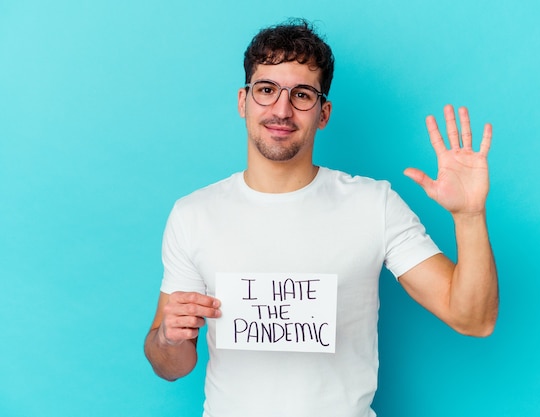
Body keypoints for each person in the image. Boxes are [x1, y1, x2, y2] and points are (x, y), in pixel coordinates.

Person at [144, 18, 498, 417]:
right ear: (243, 101)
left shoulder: (373, 205)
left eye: (302, 95)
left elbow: (474, 319)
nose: (282, 109)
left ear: (323, 112)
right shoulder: (194, 214)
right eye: (266, 90)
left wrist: (470, 216)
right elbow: (170, 367)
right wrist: (169, 340)